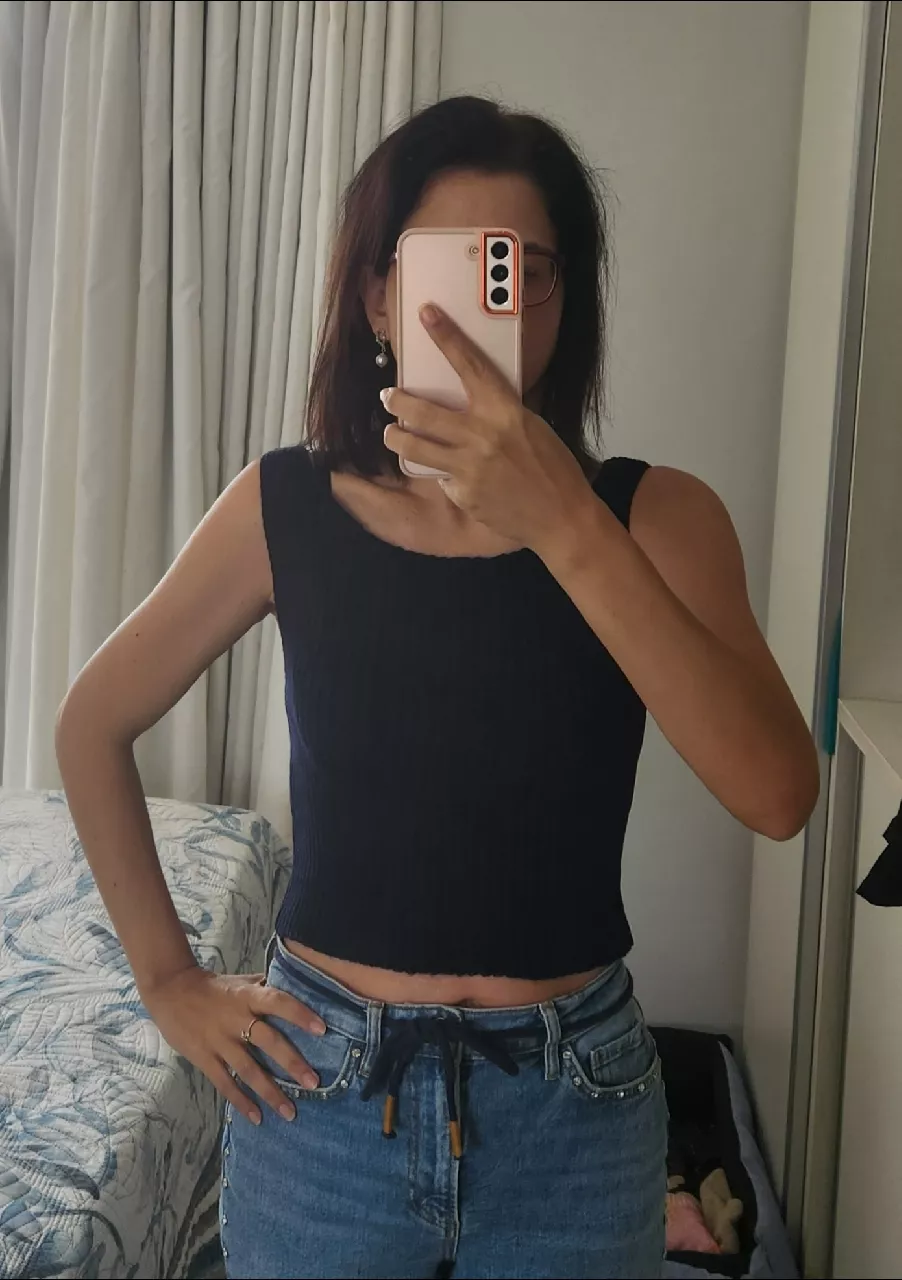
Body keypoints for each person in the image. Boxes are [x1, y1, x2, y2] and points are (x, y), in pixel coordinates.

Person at [55, 96, 819, 1280]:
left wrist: (562, 520)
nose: (482, 303)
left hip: (575, 1111)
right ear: (376, 296)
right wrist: (168, 980)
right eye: (445, 266)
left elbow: (776, 793)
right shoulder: (284, 506)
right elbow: (91, 722)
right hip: (319, 1101)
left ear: (560, 301)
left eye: (518, 269)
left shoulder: (656, 517)